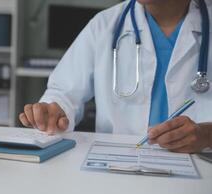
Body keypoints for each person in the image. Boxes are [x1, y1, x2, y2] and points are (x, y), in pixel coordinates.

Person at [19, 0, 212, 153]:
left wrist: (207, 134)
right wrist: (54, 111)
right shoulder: (104, 25)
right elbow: (63, 93)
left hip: (200, 171)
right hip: (118, 164)